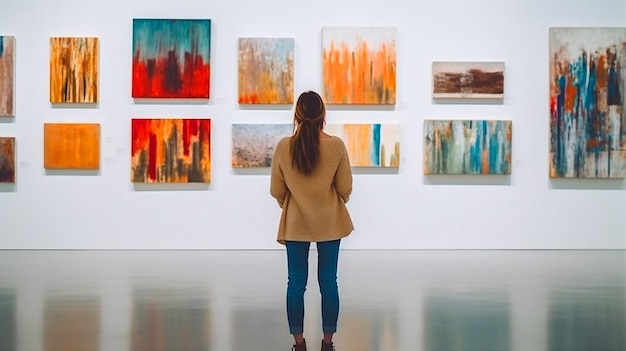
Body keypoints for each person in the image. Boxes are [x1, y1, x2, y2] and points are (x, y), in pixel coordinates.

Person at [270, 91, 354, 351]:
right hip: (330, 221)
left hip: (296, 222)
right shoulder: (336, 145)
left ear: (296, 114)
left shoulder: (285, 146)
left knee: (295, 282)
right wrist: (326, 202)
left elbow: (276, 190)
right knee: (329, 282)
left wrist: (295, 204)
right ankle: (328, 343)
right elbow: (345, 187)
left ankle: (299, 343)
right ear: (322, 115)